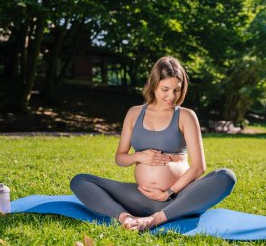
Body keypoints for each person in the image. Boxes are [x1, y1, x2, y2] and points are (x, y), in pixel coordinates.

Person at [70, 56, 236, 231]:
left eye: (177, 90)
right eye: (165, 89)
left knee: (226, 176)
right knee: (80, 181)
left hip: (178, 198)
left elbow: (198, 167)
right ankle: (125, 217)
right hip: (140, 197)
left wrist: (168, 193)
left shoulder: (186, 116)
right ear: (154, 84)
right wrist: (140, 156)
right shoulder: (134, 113)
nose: (171, 96)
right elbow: (120, 158)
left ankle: (153, 220)